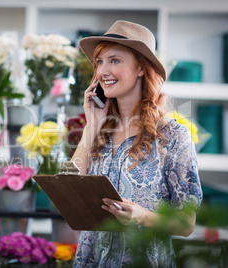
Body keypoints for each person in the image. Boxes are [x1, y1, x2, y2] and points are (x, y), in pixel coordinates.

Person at [71, 20, 203, 267]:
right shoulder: (99, 129)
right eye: (100, 62)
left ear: (141, 68)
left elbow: (187, 224)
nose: (102, 71)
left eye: (115, 60)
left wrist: (142, 217)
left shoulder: (173, 135)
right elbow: (70, 188)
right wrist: (91, 126)